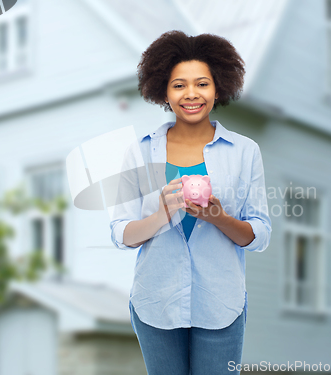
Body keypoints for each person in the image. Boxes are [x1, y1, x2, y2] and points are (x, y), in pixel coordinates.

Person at [110, 30, 272, 375]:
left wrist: (219, 218)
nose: (191, 94)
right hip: (155, 300)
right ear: (163, 92)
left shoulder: (245, 152)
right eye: (179, 85)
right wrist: (161, 215)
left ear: (218, 88)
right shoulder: (139, 151)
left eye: (202, 84)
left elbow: (259, 234)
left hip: (221, 303)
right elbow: (121, 233)